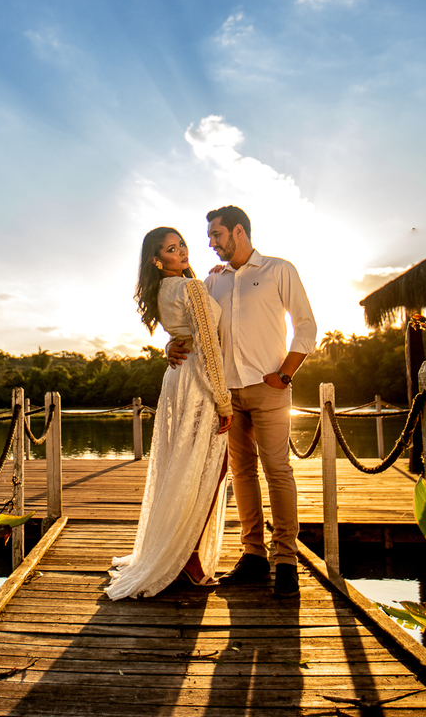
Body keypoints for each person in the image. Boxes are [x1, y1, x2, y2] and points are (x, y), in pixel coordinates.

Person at [169, 205, 317, 599]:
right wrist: (172, 343)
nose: (211, 244)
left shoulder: (278, 270)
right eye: (210, 238)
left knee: (278, 470)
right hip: (227, 397)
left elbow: (306, 325)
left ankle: (285, 558)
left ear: (238, 231)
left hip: (269, 389)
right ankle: (253, 555)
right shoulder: (211, 281)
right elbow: (193, 329)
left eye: (216, 235)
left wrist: (285, 373)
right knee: (242, 475)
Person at [106, 227, 234, 600]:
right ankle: (191, 557)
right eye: (172, 249)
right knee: (209, 468)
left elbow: (188, 333)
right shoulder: (189, 287)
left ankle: (178, 552)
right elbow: (208, 344)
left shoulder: (163, 290)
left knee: (185, 465)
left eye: (183, 246)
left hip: (178, 379)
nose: (182, 252)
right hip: (198, 380)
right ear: (157, 259)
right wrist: (224, 401)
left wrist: (172, 344)